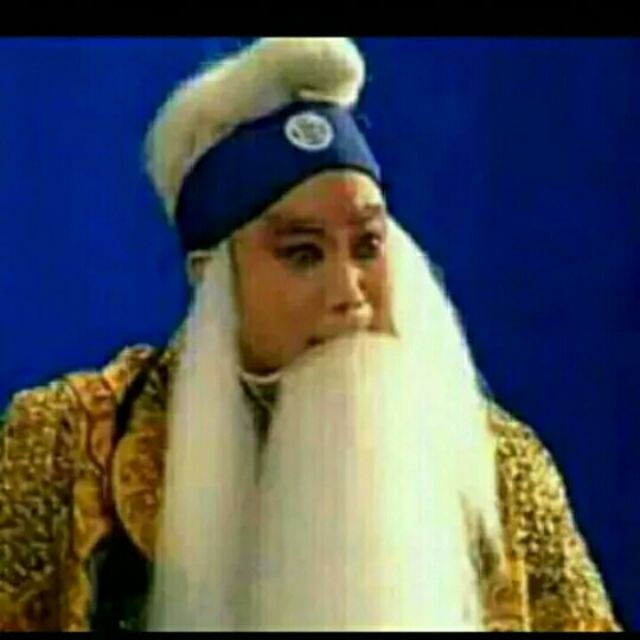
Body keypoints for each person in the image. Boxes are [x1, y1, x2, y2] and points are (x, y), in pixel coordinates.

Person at [0, 37, 620, 632]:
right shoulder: (72, 445)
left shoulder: (497, 467)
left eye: (368, 246)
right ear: (214, 279)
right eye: (303, 254)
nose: (349, 292)